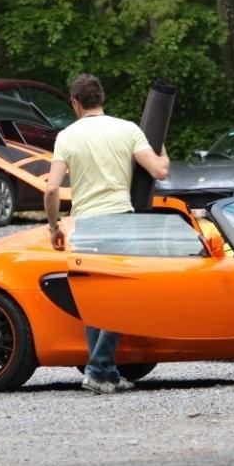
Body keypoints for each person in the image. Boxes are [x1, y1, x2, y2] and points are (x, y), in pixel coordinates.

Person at [43, 73, 170, 394]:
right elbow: (159, 171)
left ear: (74, 103)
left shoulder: (66, 137)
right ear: (102, 98)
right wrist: (161, 149)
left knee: (92, 300)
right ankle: (99, 368)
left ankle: (106, 372)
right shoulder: (128, 129)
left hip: (84, 224)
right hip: (120, 221)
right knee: (122, 299)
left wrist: (54, 226)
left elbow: (52, 187)